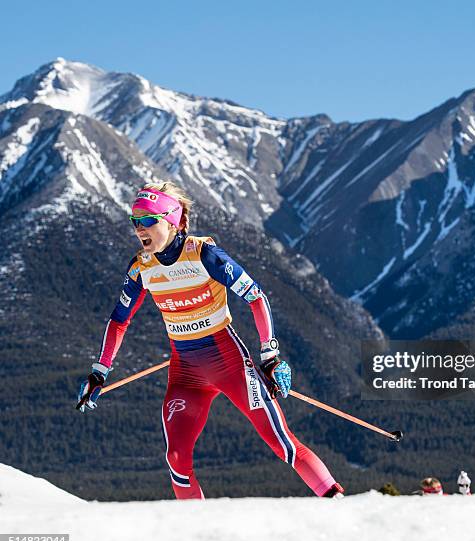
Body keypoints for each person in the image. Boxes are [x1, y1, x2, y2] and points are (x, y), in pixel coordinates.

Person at [77, 181, 344, 500]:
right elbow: (119, 320)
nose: (139, 229)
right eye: (135, 221)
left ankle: (337, 504)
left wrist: (270, 356)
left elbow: (257, 298)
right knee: (176, 460)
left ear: (172, 220)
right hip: (186, 375)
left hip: (230, 363)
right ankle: (198, 534)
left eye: (148, 220)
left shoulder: (204, 254)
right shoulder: (141, 268)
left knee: (282, 444)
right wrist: (98, 373)